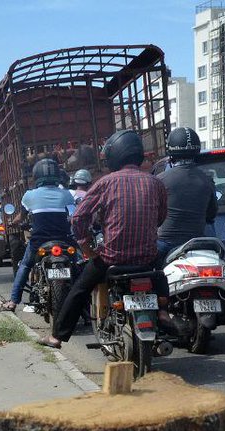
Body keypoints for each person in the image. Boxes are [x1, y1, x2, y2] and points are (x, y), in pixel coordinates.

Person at [42, 130, 169, 349]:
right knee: (162, 272)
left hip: (113, 259)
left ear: (114, 156)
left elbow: (79, 217)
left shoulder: (106, 183)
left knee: (79, 289)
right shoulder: (155, 183)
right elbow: (161, 217)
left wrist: (86, 246)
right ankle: (164, 312)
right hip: (147, 259)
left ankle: (57, 337)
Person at [3, 159, 74, 311]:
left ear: (36, 176)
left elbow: (20, 218)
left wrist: (12, 223)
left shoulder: (29, 195)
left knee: (25, 265)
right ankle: (85, 302)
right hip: (64, 240)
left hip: (39, 242)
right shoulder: (67, 194)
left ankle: (13, 301)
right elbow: (74, 216)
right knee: (80, 264)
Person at [156, 126, 218, 264]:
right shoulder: (207, 180)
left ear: (171, 152)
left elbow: (153, 216)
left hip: (166, 245)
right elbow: (211, 215)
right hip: (197, 244)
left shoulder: (160, 180)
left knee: (147, 275)